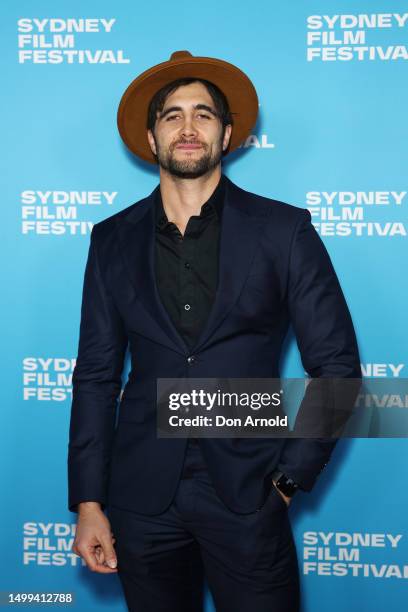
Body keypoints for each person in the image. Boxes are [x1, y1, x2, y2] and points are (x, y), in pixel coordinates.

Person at [68, 50, 361, 611]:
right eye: (172, 115)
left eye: (203, 114)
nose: (187, 127)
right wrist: (88, 501)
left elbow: (338, 370)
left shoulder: (284, 231)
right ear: (151, 138)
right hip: (140, 497)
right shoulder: (111, 240)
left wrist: (288, 479)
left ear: (226, 135)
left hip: (249, 493)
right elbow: (96, 377)